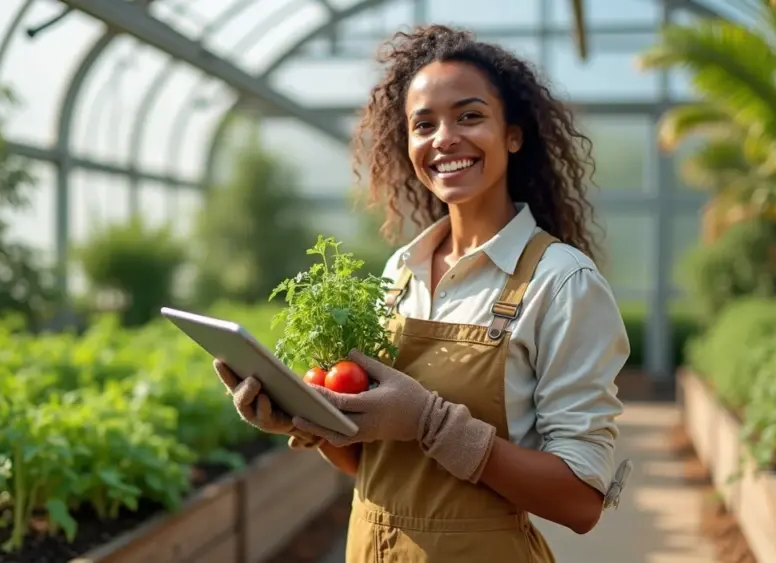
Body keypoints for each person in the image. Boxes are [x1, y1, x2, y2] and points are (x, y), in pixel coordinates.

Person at [213, 24, 633, 562]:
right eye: (424, 124)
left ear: (513, 134)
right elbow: (379, 465)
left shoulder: (562, 282)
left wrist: (429, 422)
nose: (444, 139)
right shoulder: (400, 273)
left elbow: (580, 501)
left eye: (469, 116)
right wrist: (306, 422)